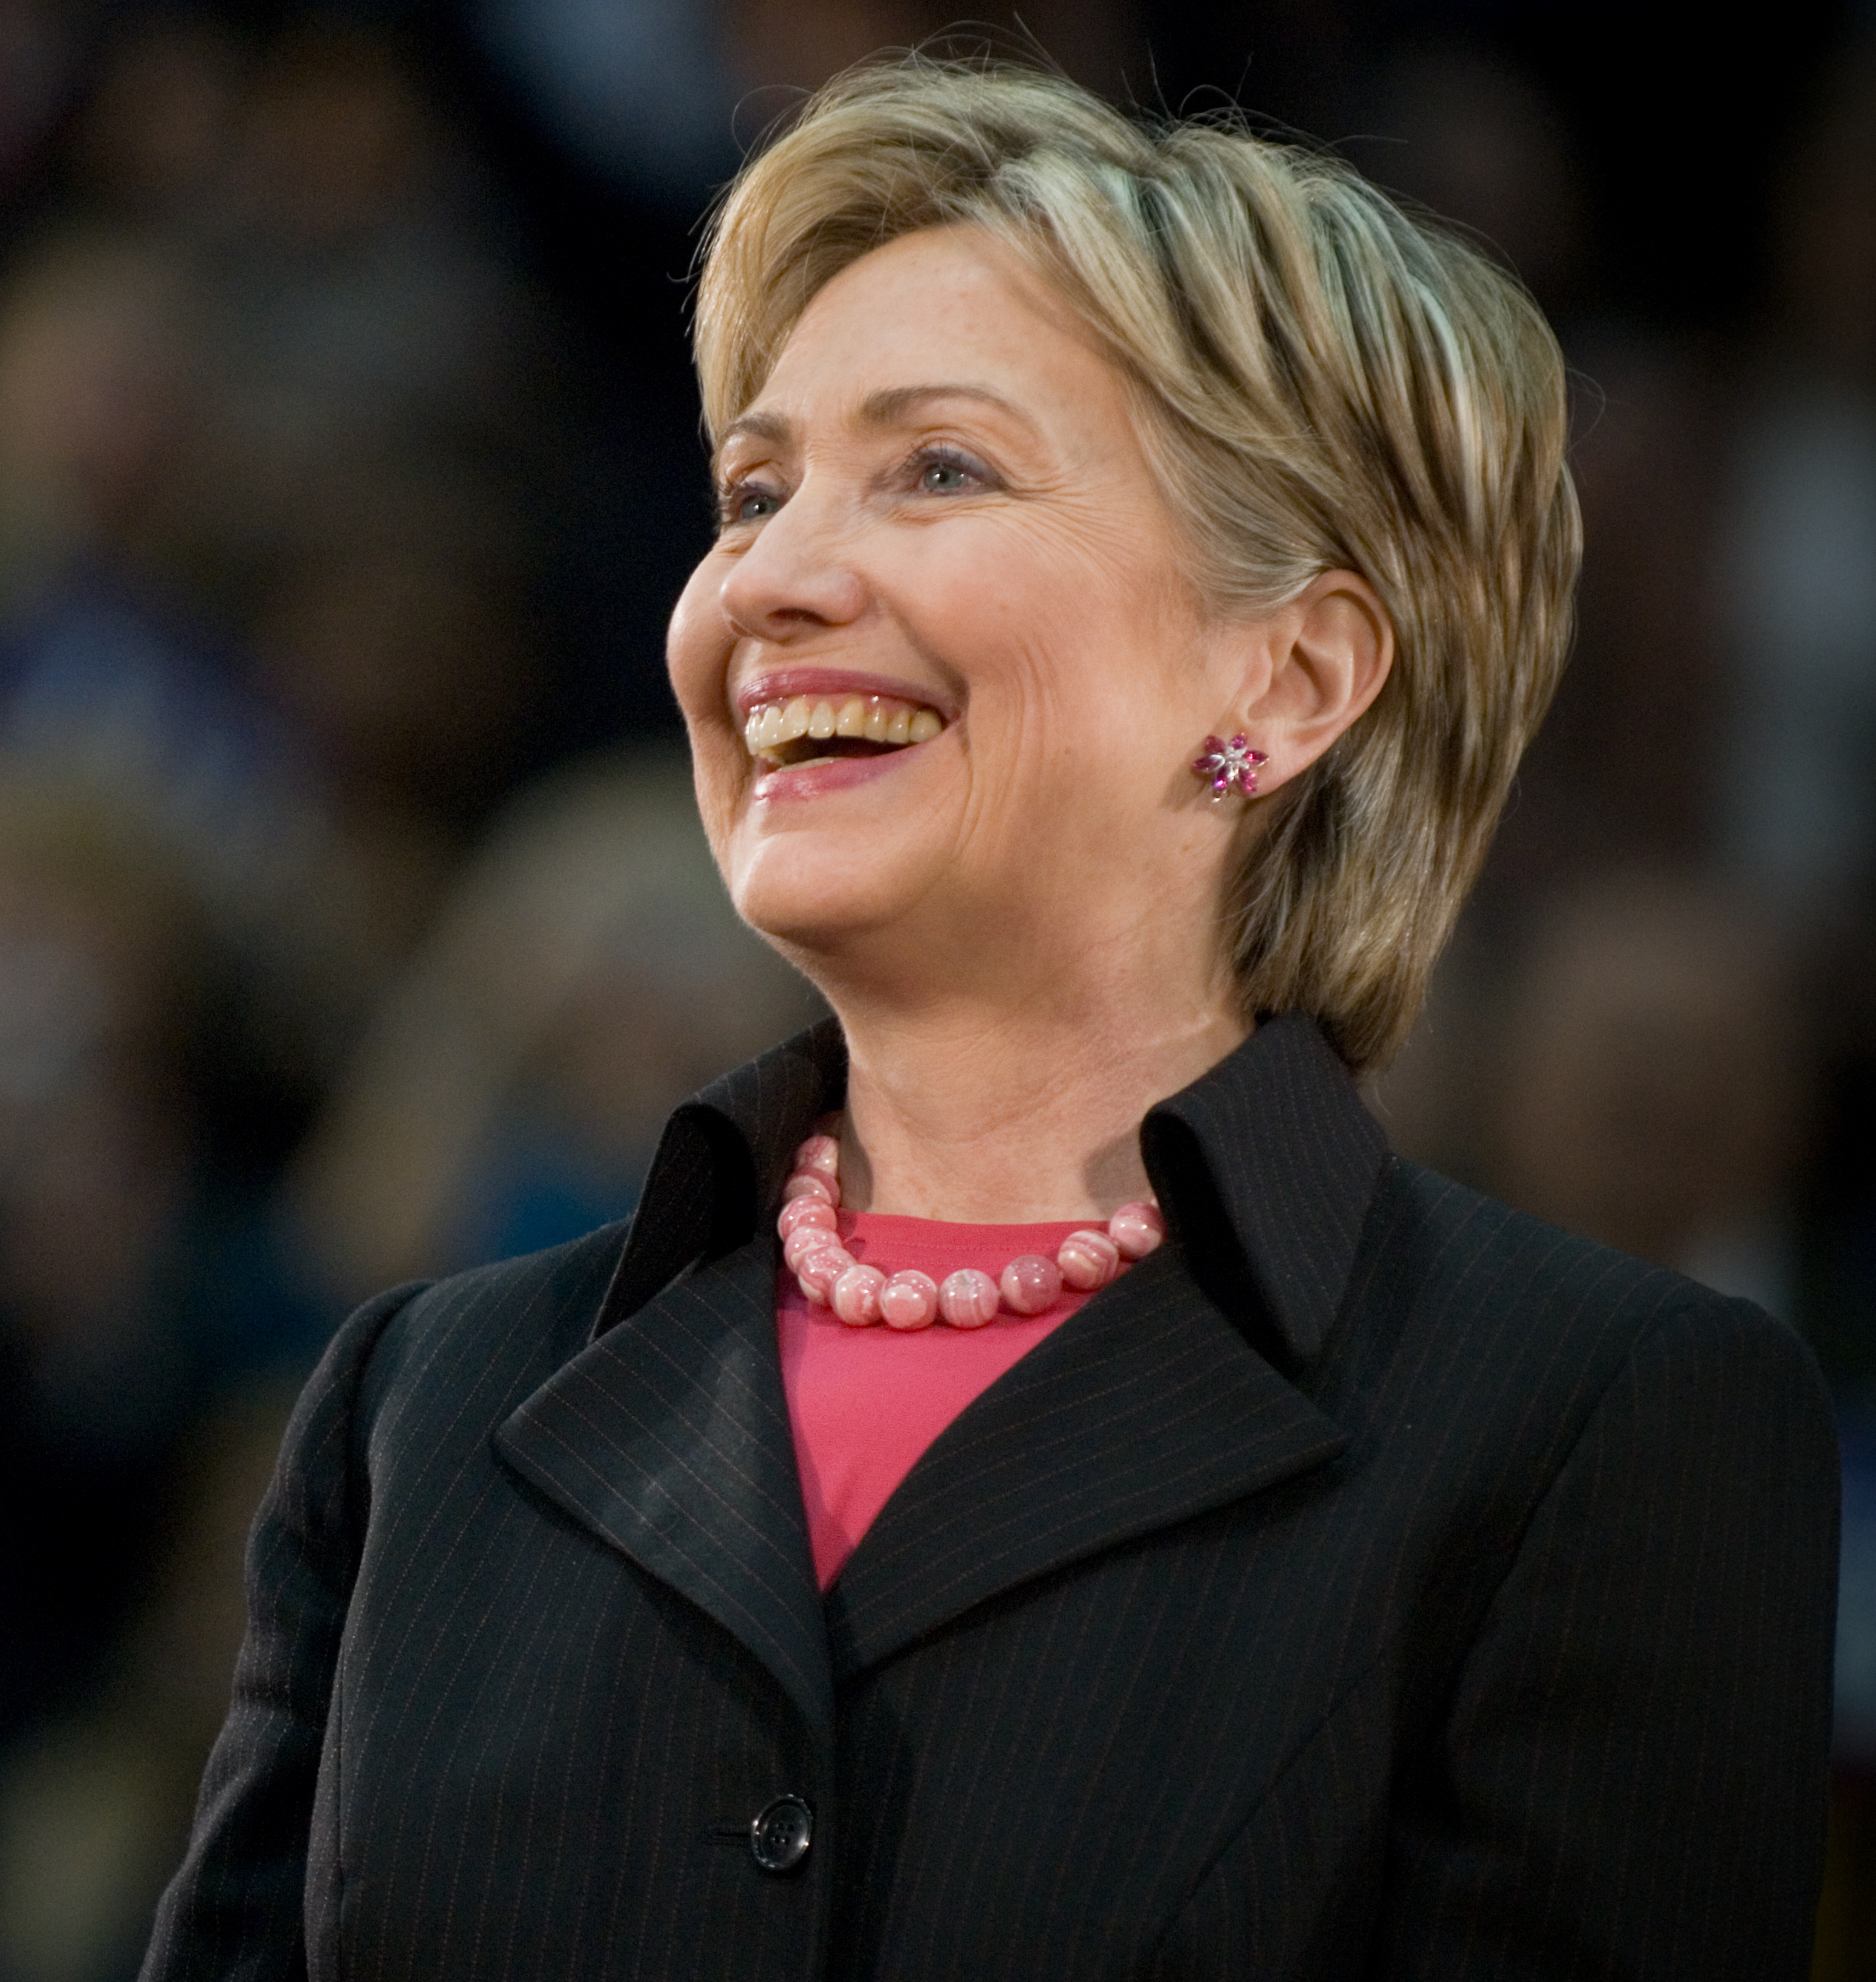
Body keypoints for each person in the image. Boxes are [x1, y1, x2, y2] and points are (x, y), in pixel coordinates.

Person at [141, 57, 1836, 1980]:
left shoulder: (1590, 1425)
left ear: (1285, 677)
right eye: (752, 490)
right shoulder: (418, 1408)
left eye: (937, 467)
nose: (770, 579)